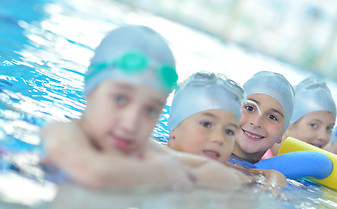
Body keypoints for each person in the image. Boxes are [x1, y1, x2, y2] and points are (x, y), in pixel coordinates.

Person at [41, 25, 261, 191]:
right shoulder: (61, 132)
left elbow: (220, 174)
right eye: (120, 99)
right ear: (90, 89)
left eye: (150, 110)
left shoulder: (141, 150)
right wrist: (166, 173)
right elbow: (95, 174)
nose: (131, 123)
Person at [167, 71, 287, 188]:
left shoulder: (226, 175)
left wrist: (272, 178)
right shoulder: (154, 155)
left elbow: (272, 178)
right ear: (175, 127)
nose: (219, 139)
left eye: (229, 132)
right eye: (206, 124)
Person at [230, 71, 295, 165]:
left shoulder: (273, 176)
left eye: (272, 117)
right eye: (249, 108)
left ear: (282, 133)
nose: (256, 122)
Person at [271, 76, 336, 156]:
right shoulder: (259, 156)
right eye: (314, 125)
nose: (323, 136)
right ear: (288, 123)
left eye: (329, 128)